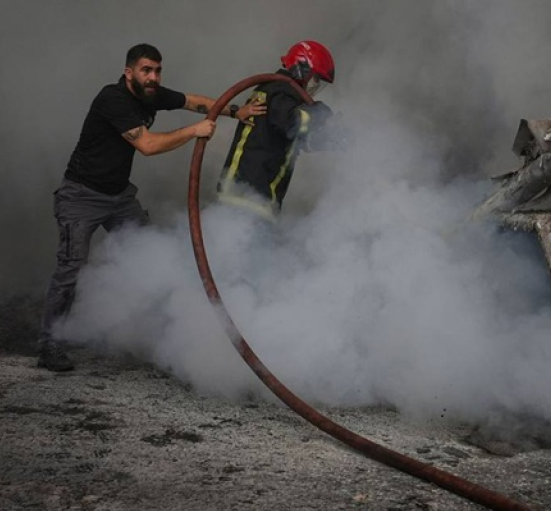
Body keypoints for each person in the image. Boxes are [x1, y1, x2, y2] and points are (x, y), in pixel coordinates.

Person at [37, 44, 266, 372]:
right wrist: (195, 131)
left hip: (119, 197)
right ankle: (49, 344)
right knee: (70, 268)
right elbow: (147, 145)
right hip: (81, 196)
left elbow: (193, 101)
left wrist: (235, 112)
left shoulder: (150, 94)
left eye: (157, 70)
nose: (153, 77)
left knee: (152, 254)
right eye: (146, 70)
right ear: (128, 72)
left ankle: (160, 337)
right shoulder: (112, 99)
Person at [217, 40, 337, 220]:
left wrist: (331, 141)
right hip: (249, 195)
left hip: (250, 194)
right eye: (316, 78)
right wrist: (318, 112)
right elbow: (292, 123)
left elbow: (294, 139)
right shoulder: (280, 91)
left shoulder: (282, 94)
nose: (316, 85)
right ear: (302, 69)